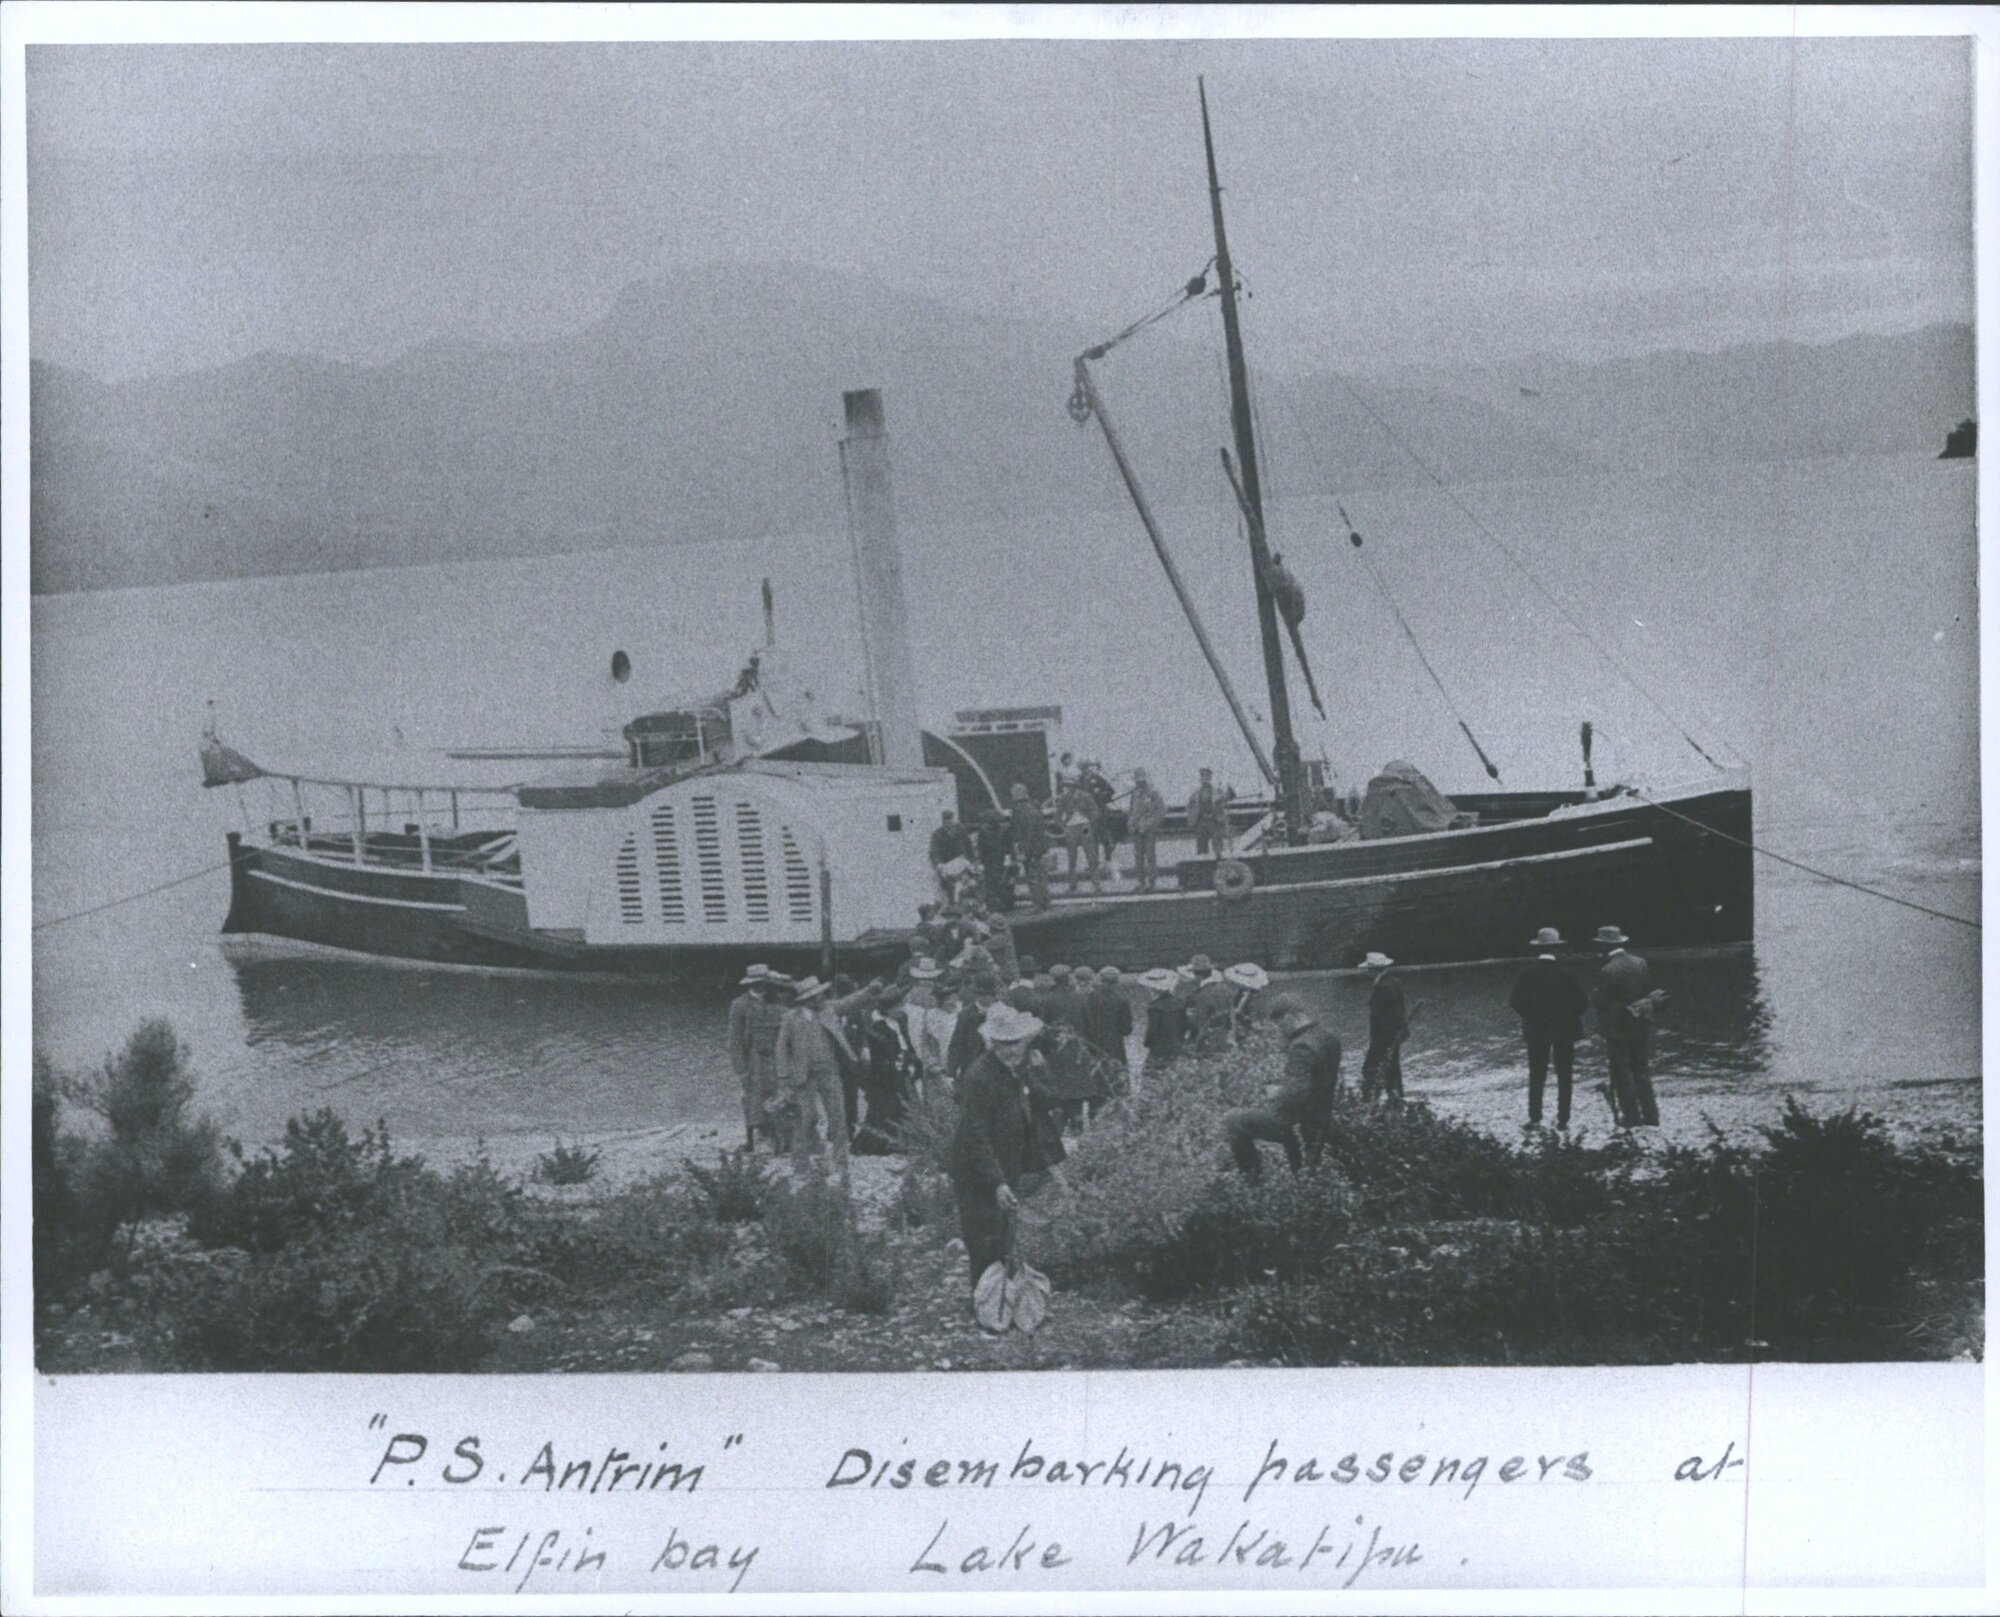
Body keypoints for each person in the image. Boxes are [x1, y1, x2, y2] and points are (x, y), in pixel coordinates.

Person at [949, 1001, 1045, 1307]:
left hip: (1005, 1162)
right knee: (983, 1237)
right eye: (1002, 1044)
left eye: (1014, 1043)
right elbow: (976, 1136)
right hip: (978, 1169)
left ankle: (1001, 1300)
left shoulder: (1011, 1070)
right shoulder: (979, 1077)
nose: (1009, 1050)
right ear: (992, 1042)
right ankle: (984, 1303)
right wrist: (997, 1182)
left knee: (1003, 1233)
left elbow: (1042, 1102)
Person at [1223, 995, 1343, 1180]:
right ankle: (1302, 1177)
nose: (1280, 1030)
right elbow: (1317, 1082)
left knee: (1233, 1120)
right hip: (1323, 1119)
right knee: (1304, 1173)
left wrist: (1277, 1092)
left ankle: (1251, 1180)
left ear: (1289, 1017)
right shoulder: (1329, 1037)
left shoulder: (1301, 1046)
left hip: (1299, 1124)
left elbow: (1295, 1096)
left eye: (1279, 1024)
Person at [774, 975, 861, 1181]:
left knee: (838, 1117)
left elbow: (848, 1003)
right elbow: (781, 1049)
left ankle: (841, 1164)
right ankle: (801, 1165)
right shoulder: (790, 1019)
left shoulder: (828, 1011)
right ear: (808, 999)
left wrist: (869, 992)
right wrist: (783, 1077)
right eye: (817, 995)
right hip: (803, 1076)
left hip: (829, 1071)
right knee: (806, 1118)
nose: (822, 997)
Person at [1510, 927, 1589, 1128]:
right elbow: (1582, 1004)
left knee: (1537, 1074)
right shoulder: (1568, 974)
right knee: (1565, 1074)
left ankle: (1535, 1118)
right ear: (1557, 949)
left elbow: (1515, 1001)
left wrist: (1532, 1016)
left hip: (1536, 1030)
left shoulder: (1526, 974)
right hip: (1565, 1030)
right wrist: (1567, 1017)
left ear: (1538, 949)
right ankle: (1563, 1119)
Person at [1591, 925, 1661, 1127]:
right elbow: (1648, 991)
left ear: (1605, 946)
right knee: (1641, 1069)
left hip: (1618, 1028)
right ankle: (1651, 1116)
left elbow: (1599, 1001)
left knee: (1622, 1071)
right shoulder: (1640, 962)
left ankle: (1631, 1118)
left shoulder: (1607, 969)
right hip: (1641, 1023)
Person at [727, 964, 789, 1152]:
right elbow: (735, 1039)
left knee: (779, 1096)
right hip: (754, 1058)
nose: (762, 986)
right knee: (752, 1098)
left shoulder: (778, 1003)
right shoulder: (739, 1005)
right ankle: (753, 1140)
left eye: (764, 982)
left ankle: (781, 1138)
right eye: (759, 983)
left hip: (777, 1057)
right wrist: (741, 1069)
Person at [1357, 952, 1409, 1106]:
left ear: (1373, 970)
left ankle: (1369, 1101)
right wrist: (1402, 1030)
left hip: (1384, 1036)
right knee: (1393, 1067)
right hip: (1394, 1034)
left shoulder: (1383, 987)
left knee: (1369, 1068)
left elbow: (1387, 1015)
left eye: (1368, 969)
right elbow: (1400, 1009)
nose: (1366, 972)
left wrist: (1380, 1040)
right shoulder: (1395, 982)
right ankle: (1395, 1098)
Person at [948, 971, 1002, 1081]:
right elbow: (956, 1044)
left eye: (988, 994)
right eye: (981, 994)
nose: (985, 998)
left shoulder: (1001, 1011)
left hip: (996, 1069)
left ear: (994, 995)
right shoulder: (966, 1015)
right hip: (972, 1067)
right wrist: (951, 1073)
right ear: (975, 994)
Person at [1008, 783, 1051, 910]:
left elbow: (1026, 834)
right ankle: (1045, 902)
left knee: (1032, 878)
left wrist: (1023, 852)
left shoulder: (1020, 811)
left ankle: (1037, 904)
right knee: (1041, 876)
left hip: (1030, 850)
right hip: (1038, 849)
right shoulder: (1033, 808)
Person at [1057, 775, 1103, 893]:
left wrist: (1089, 821)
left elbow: (1096, 811)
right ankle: (1072, 884)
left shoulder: (1085, 796)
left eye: (1070, 785)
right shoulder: (1064, 798)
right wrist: (1064, 827)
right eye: (1067, 785)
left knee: (1091, 855)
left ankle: (1096, 884)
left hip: (1084, 827)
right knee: (1071, 857)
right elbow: (1057, 815)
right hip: (1071, 828)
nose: (1068, 788)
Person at [1139, 966, 1188, 1071]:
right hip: (1177, 1044)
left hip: (1160, 1048)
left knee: (1153, 1075)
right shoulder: (1180, 1004)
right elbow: (1185, 1025)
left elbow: (1152, 1030)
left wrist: (1147, 1043)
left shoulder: (1155, 1007)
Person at [1185, 954, 1236, 1053]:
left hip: (1208, 1041)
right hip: (1227, 1035)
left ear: (1197, 975)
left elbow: (1200, 1021)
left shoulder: (1202, 994)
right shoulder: (1225, 988)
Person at [1128, 768, 1167, 891]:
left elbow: (1161, 811)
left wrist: (1150, 824)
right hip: (1137, 829)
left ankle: (1152, 881)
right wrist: (1131, 823)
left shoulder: (1153, 792)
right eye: (1137, 779)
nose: (1140, 782)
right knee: (1138, 856)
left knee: (1150, 854)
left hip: (1149, 828)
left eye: (1141, 779)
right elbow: (1132, 810)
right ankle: (1141, 882)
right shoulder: (1134, 793)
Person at [976, 807, 1015, 912]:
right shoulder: (984, 830)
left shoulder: (1002, 829)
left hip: (999, 859)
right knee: (993, 884)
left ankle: (1003, 905)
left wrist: (1009, 858)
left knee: (1001, 883)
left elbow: (1009, 845)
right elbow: (981, 847)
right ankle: (995, 907)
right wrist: (981, 860)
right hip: (991, 860)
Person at [1222, 961, 1271, 1044]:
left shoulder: (1251, 988)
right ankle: (1237, 1024)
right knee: (1240, 1002)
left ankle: (1240, 1020)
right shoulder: (1245, 988)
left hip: (1242, 1003)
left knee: (1243, 1000)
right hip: (1239, 1004)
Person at [1188, 767, 1224, 857]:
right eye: (1202, 776)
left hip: (1214, 822)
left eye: (1206, 776)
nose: (1204, 778)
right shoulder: (1195, 794)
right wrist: (1193, 818)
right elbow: (1189, 806)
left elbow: (1223, 804)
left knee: (1218, 847)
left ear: (1210, 778)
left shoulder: (1217, 792)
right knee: (1201, 848)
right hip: (1201, 822)